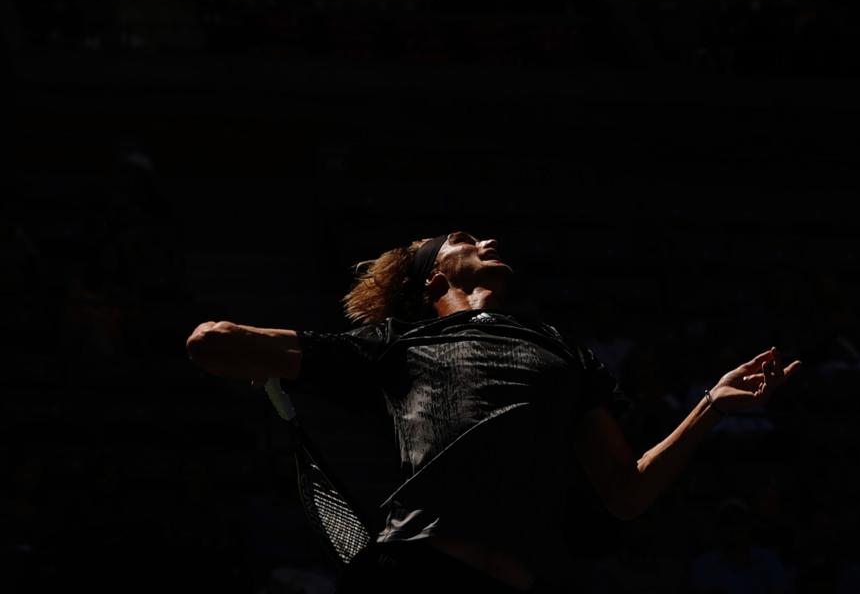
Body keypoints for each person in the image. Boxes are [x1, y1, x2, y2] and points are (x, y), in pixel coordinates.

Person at [186, 231, 801, 593]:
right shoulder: (396, 344)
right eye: (464, 239)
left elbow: (626, 493)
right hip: (417, 570)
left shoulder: (564, 351)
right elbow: (209, 343)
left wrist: (711, 406)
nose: (488, 240)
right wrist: (268, 352)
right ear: (432, 281)